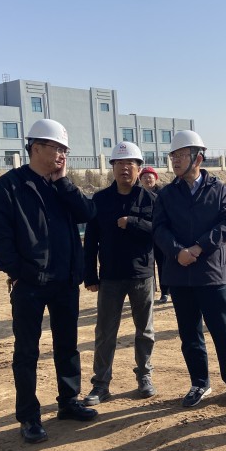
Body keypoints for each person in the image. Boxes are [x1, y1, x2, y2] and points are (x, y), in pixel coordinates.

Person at [0, 118, 98, 444]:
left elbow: (88, 214)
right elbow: (0, 242)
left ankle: (69, 401)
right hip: (30, 286)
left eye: (65, 149)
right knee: (27, 352)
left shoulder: (61, 187)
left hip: (65, 282)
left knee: (67, 346)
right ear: (36, 148)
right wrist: (23, 272)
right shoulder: (9, 187)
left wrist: (64, 183)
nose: (62, 154)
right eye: (57, 148)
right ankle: (29, 416)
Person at [153, 130, 226, 408]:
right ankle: (199, 382)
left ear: (198, 158)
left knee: (222, 331)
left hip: (211, 274)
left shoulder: (218, 190)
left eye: (181, 155)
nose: (175, 161)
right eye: (172, 156)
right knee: (189, 334)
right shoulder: (167, 194)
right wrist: (177, 251)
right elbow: (159, 228)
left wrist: (199, 247)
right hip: (179, 274)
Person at [82, 142, 157, 406]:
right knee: (105, 332)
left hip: (142, 275)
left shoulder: (151, 200)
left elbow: (159, 232)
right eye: (119, 164)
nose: (125, 168)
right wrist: (90, 275)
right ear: (112, 167)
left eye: (130, 164)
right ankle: (101, 384)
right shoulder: (100, 200)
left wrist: (133, 222)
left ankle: (144, 376)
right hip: (110, 276)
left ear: (139, 168)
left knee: (145, 331)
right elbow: (91, 240)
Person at [140, 166, 169, 303]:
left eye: (150, 176)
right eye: (144, 177)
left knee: (163, 263)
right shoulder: (138, 195)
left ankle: (165, 291)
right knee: (148, 266)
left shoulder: (163, 194)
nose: (148, 179)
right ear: (140, 180)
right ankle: (150, 291)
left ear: (155, 178)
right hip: (145, 236)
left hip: (160, 235)